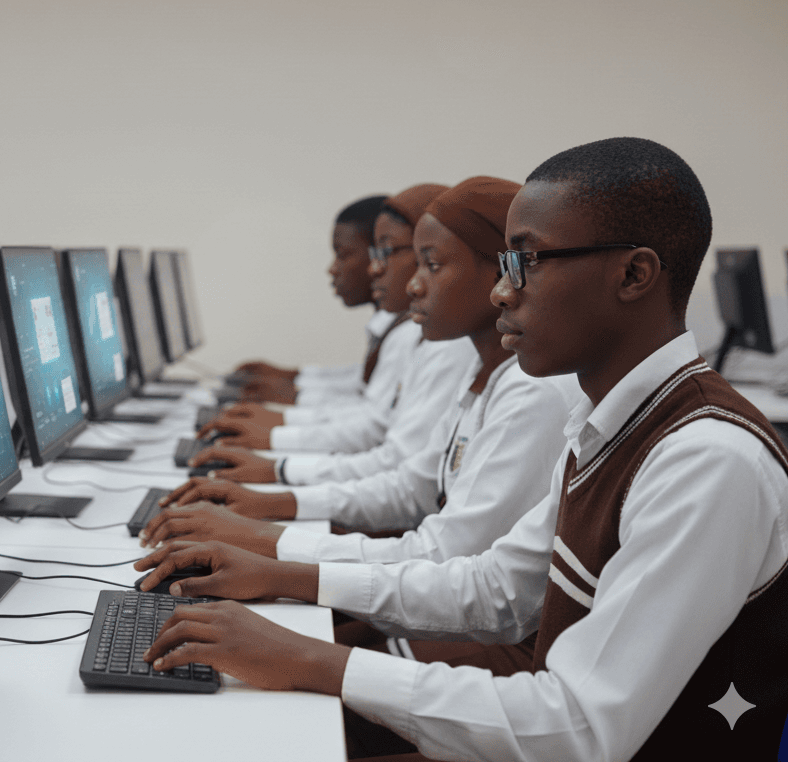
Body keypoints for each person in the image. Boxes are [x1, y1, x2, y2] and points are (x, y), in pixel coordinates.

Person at [134, 137, 788, 760]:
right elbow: (500, 589)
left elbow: (578, 729)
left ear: (634, 274)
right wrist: (281, 574)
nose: (504, 289)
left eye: (525, 261)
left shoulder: (705, 461)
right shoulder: (612, 422)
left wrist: (310, 658)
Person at [140, 177, 578, 591]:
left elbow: (447, 555)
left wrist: (272, 534)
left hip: (454, 602)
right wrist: (270, 507)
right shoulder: (480, 369)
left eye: (432, 264)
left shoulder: (526, 390)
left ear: (497, 272)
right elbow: (414, 485)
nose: (411, 283)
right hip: (433, 581)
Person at [204, 185, 470, 458]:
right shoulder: (425, 336)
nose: (374, 268)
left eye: (384, 252)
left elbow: (384, 444)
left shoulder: (447, 346)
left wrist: (278, 443)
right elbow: (369, 403)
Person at [233, 195, 391, 406]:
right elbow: (361, 380)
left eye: (342, 255)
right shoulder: (388, 325)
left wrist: (294, 397)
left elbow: (371, 414)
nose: (332, 269)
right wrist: (294, 376)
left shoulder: (410, 332)